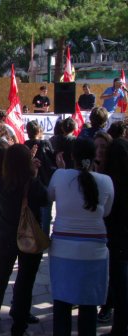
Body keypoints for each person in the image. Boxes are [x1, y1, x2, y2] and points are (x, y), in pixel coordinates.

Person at [48, 138, 114, 336]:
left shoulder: (59, 176)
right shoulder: (106, 181)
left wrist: (61, 169)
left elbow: (49, 196)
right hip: (94, 252)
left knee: (62, 304)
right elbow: (106, 212)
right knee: (88, 307)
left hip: (62, 251)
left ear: (71, 156)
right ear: (94, 156)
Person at [0, 144, 48, 336]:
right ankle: (19, 327)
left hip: (5, 237)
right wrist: (34, 174)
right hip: (28, 238)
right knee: (25, 282)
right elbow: (45, 199)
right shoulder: (32, 184)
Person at [102, 138, 128, 336]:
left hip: (117, 239)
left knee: (120, 286)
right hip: (119, 239)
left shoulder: (110, 183)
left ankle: (119, 328)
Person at [25, 120, 56, 235]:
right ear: (39, 131)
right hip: (45, 181)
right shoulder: (44, 144)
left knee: (32, 211)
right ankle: (44, 237)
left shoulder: (25, 145)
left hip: (31, 182)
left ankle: (32, 235)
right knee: (46, 213)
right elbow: (52, 160)